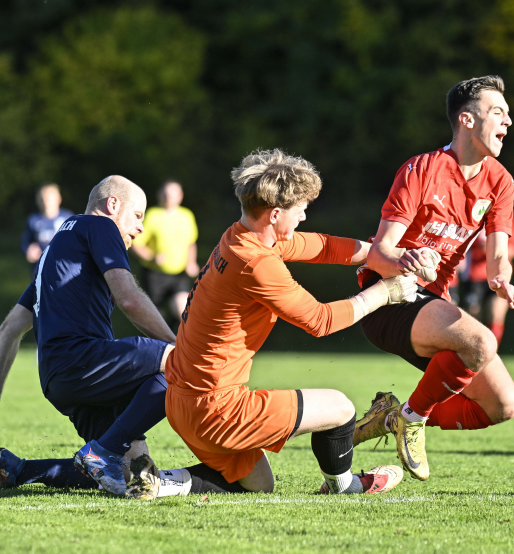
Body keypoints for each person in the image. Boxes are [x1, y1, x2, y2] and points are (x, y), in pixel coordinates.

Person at [0, 176, 236, 499]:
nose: (141, 228)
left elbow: (9, 329)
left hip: (58, 379)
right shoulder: (100, 227)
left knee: (130, 477)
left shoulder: (57, 251)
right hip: (83, 359)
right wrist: (180, 345)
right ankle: (106, 449)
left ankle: (17, 470)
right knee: (181, 363)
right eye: (138, 215)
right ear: (112, 204)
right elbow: (129, 299)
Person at [161, 149, 417, 497]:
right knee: (340, 408)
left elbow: (322, 247)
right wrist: (387, 292)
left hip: (181, 401)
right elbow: (320, 320)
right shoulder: (257, 263)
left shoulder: (238, 237)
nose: (305, 214)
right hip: (216, 408)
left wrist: (390, 255)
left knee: (260, 485)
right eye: (301, 208)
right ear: (275, 213)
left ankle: (162, 481)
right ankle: (346, 487)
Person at [353, 75, 514, 482]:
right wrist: (408, 259)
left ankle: (396, 416)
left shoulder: (500, 180)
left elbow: (499, 251)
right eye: (498, 112)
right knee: (481, 340)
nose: (508, 121)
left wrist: (501, 278)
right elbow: (381, 250)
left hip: (434, 303)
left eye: (509, 113)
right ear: (466, 119)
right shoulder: (422, 169)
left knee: (503, 405)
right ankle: (413, 418)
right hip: (388, 298)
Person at [131, 180, 199, 324]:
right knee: (155, 318)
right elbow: (136, 244)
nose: (169, 198)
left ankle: (182, 342)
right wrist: (152, 257)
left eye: (173, 194)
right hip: (155, 275)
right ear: (159, 195)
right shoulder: (152, 215)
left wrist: (191, 262)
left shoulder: (187, 216)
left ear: (180, 196)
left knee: (184, 310)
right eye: (166, 194)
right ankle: (159, 343)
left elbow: (191, 243)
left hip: (179, 274)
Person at [451, 216, 514, 345]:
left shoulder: (504, 215)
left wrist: (491, 251)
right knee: (472, 315)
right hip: (473, 276)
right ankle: (471, 351)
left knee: (496, 313)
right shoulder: (471, 213)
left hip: (498, 276)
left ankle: (492, 352)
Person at [21, 183, 74, 276]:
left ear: (59, 199)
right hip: (40, 271)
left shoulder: (68, 218)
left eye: (48, 199)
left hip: (64, 270)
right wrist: (28, 250)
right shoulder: (33, 220)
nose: (45, 202)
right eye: (42, 199)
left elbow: (77, 242)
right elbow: (25, 243)